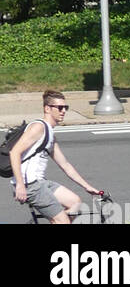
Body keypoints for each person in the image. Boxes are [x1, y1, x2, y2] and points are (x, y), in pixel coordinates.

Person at [10, 90, 102, 224]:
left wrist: (87, 187)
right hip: (29, 185)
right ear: (47, 109)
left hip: (40, 183)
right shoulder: (38, 127)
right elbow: (14, 152)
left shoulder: (49, 133)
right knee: (63, 221)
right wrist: (20, 185)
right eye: (59, 108)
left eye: (66, 107)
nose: (63, 111)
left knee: (75, 203)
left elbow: (65, 165)